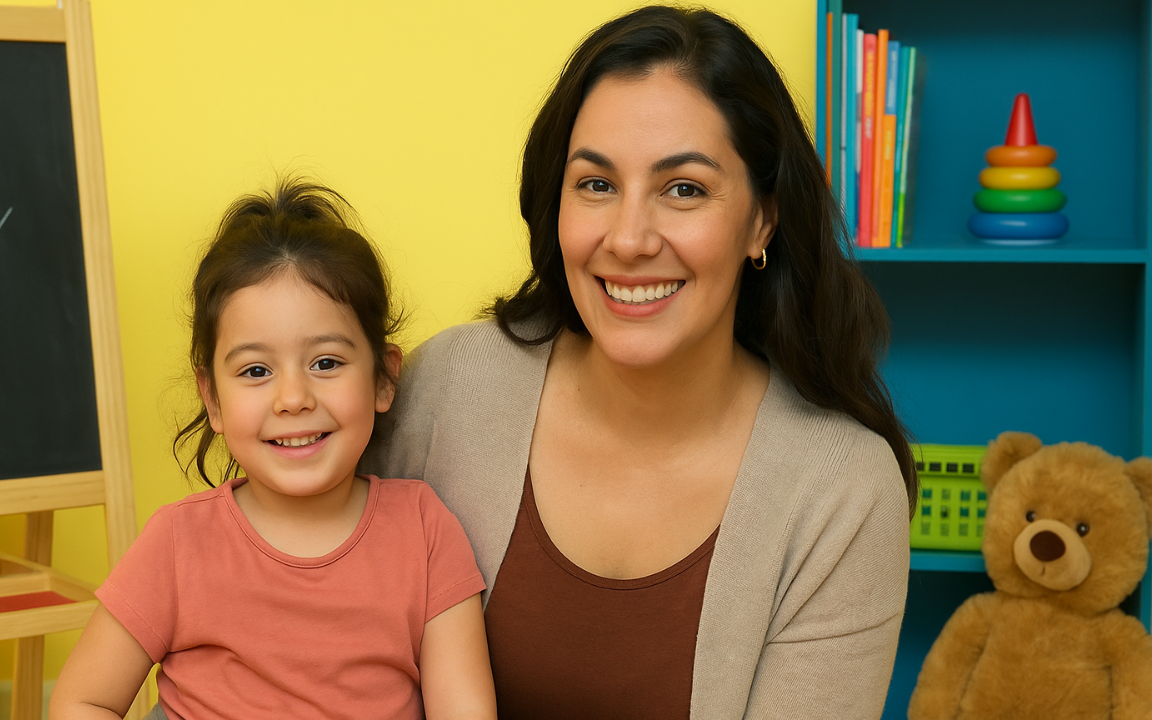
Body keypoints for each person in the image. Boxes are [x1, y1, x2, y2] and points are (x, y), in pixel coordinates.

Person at [362, 6, 917, 719]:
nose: (628, 240)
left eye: (684, 189)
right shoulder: (445, 391)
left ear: (762, 220)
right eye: (596, 184)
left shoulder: (842, 491)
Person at [51, 180, 496, 720]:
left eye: (326, 363)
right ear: (212, 400)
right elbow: (81, 701)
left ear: (383, 378)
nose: (292, 398)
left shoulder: (425, 532)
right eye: (256, 371)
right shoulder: (177, 542)